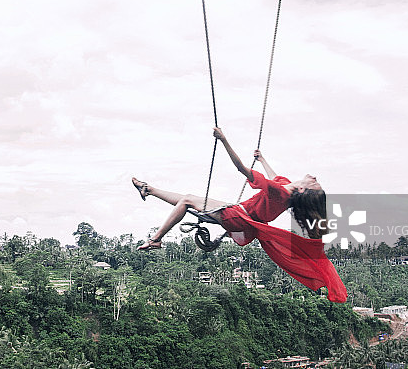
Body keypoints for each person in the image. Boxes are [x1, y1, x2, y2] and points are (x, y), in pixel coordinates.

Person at [132, 127, 347, 303]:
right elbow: (276, 177)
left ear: (303, 190)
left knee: (188, 201)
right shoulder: (285, 188)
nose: (314, 176)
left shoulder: (281, 193)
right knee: (189, 199)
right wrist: (262, 159)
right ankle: (148, 190)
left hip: (237, 217)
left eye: (315, 182)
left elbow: (241, 169)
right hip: (240, 213)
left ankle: (156, 239)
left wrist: (224, 140)